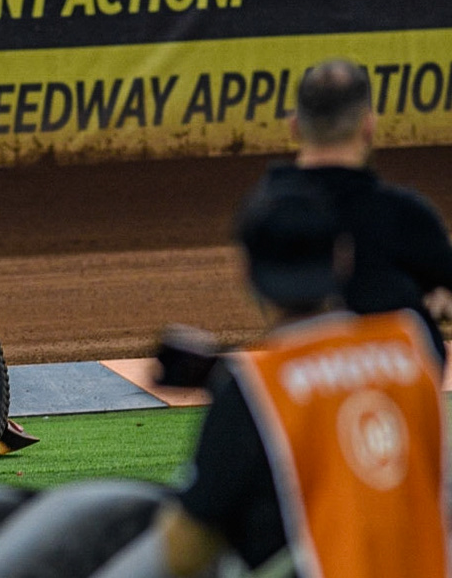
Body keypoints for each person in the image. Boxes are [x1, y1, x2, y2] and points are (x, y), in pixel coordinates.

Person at [94, 178, 449, 577]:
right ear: (342, 257)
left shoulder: (254, 389)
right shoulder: (413, 346)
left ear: (247, 272)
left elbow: (182, 552)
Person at [248, 57, 452, 368]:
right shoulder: (405, 215)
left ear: (294, 126)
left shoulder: (265, 213)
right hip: (393, 385)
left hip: (301, 378)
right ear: (368, 125)